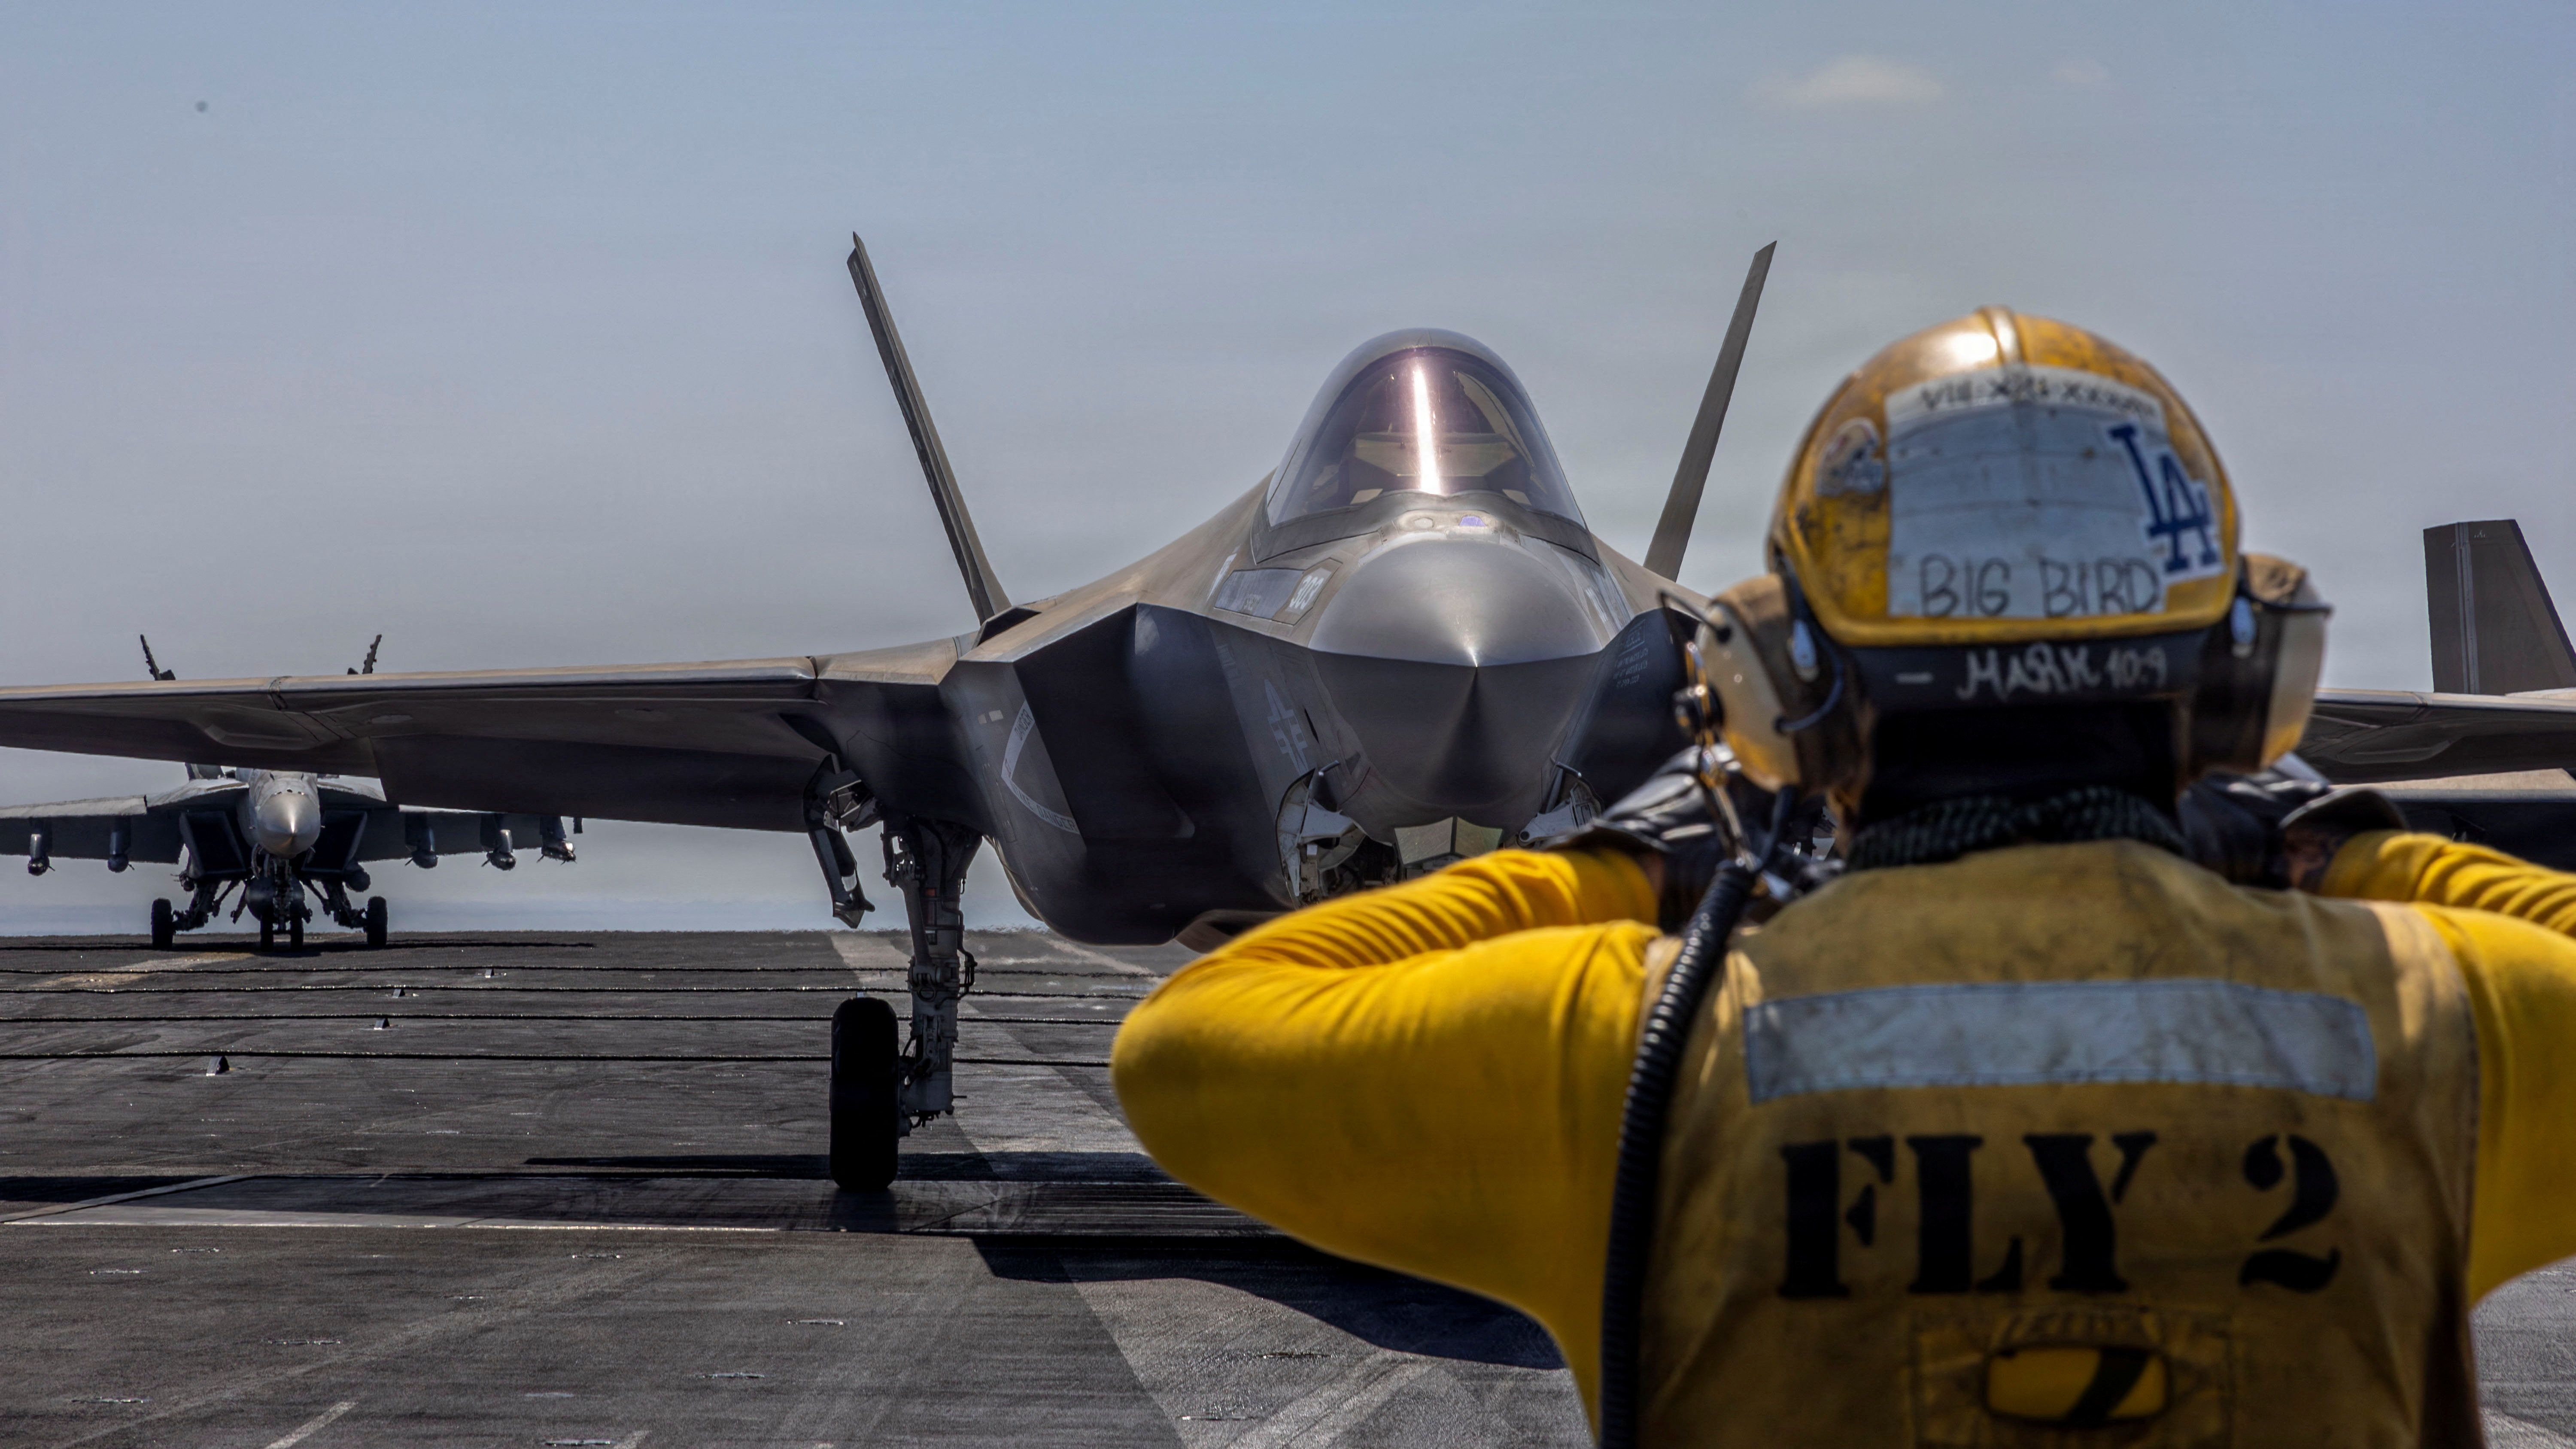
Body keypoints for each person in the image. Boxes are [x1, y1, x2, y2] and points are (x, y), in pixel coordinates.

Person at [1110, 307, 2576, 1446]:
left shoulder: (1629, 1051)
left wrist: (1630, 860)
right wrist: (2335, 841)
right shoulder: (2433, 1035)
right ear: (2250, 681)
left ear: (1776, 686)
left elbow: (1191, 1047)